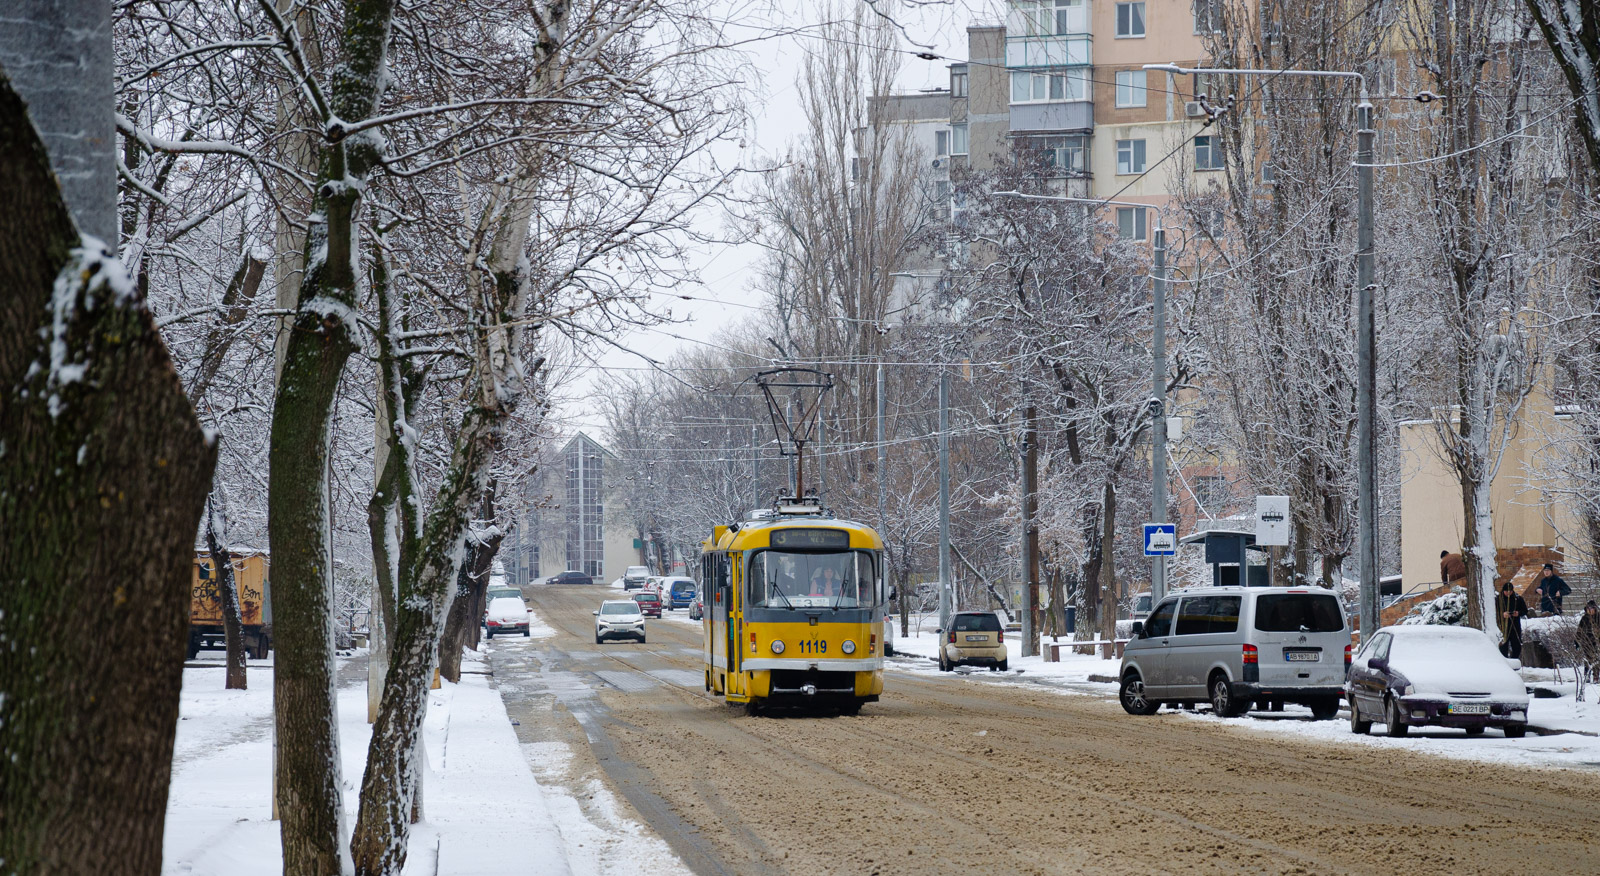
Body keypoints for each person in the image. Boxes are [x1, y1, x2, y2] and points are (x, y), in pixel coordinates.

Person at [1496, 580, 1528, 659]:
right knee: (1503, 646)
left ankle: (1515, 660)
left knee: (1516, 645)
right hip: (1502, 626)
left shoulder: (1518, 598)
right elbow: (1494, 612)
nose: (1508, 593)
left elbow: (1525, 610)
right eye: (1506, 591)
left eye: (1510, 591)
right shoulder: (1498, 599)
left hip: (1515, 625)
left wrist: (1518, 613)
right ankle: (1504, 661)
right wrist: (1502, 614)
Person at [1577, 601, 1599, 683]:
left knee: (1596, 659)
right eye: (1588, 608)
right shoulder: (1584, 618)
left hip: (1596, 642)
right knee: (1587, 659)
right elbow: (1580, 630)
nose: (1590, 610)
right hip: (1586, 641)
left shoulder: (1598, 618)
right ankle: (1587, 675)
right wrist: (1577, 641)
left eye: (1592, 608)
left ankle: (1596, 676)